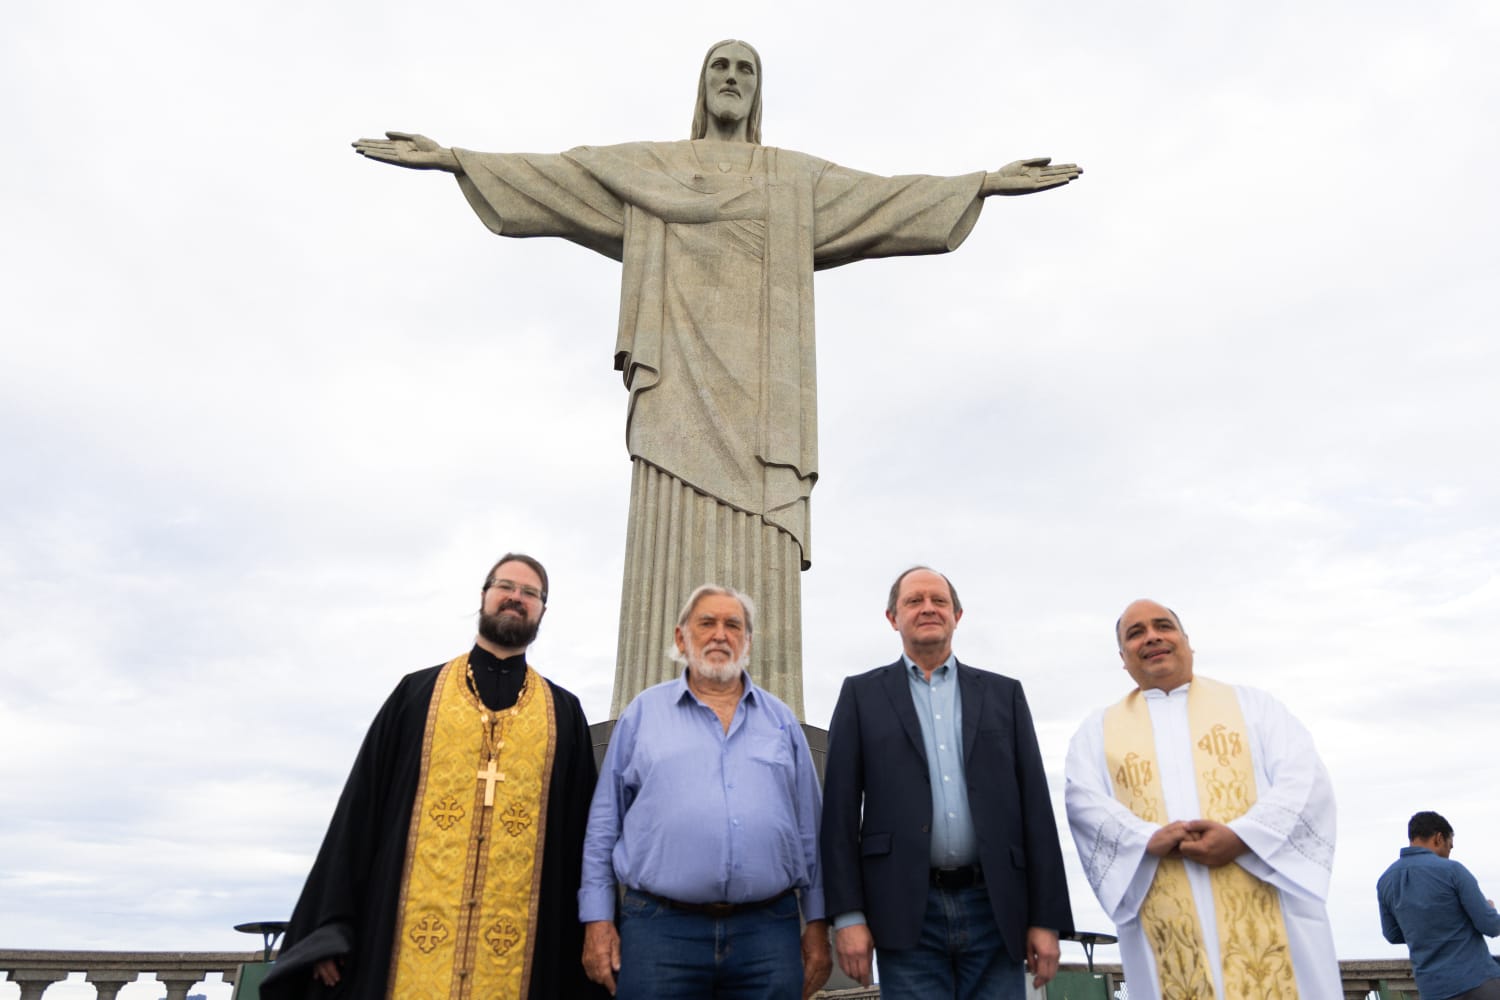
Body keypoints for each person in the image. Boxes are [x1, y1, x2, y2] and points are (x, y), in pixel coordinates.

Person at [351, 40, 1082, 718]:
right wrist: (455, 159)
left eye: (746, 69)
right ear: (702, 87)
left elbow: (885, 199)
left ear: (757, 91)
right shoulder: (650, 170)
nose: (732, 78)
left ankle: (768, 706)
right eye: (719, 68)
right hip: (674, 395)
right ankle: (649, 702)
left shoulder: (794, 180)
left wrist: (982, 183)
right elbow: (559, 177)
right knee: (665, 527)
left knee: (761, 544)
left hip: (766, 410)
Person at [261, 554, 605, 1000]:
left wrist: (594, 929)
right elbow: (359, 812)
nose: (516, 598)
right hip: (402, 949)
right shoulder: (416, 696)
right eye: (506, 587)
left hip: (524, 955)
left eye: (530, 593)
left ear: (542, 610)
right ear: (484, 596)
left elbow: (584, 837)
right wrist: (331, 924)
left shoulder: (563, 713)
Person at [1063, 598, 1341, 998]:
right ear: (1123, 658)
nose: (1152, 637)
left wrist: (1243, 836)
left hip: (1264, 892)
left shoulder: (1254, 707)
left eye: (1163, 626)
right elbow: (1083, 802)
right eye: (1136, 633)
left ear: (1187, 642)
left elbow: (1305, 782)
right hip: (1163, 907)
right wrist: (1145, 839)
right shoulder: (1097, 731)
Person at [820, 566, 1073, 998]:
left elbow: (1036, 809)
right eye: (914, 601)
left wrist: (1046, 918)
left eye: (938, 601)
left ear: (957, 614)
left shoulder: (1003, 695)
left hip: (995, 907)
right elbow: (839, 815)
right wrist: (847, 917)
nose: (928, 608)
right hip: (903, 909)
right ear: (892, 618)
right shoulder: (860, 695)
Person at [579, 584, 831, 999]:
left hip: (768, 934)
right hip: (659, 932)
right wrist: (596, 919)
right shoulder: (642, 715)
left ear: (747, 642)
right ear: (681, 638)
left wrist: (818, 924)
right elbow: (604, 826)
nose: (720, 634)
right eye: (707, 623)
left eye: (733, 625)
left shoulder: (781, 722)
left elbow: (810, 830)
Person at [1377, 810, 1500, 1000]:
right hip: (1476, 983)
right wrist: (1490, 909)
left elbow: (1392, 934)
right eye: (1450, 847)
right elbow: (1491, 926)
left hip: (1432, 990)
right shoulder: (1452, 871)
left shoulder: (1385, 880)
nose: (1449, 853)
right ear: (1439, 838)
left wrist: (1424, 929)